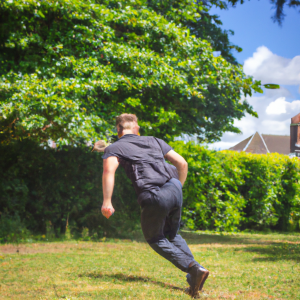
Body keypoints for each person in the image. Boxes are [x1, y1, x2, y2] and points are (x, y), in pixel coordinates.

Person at [100, 113, 209, 298]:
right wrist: (176, 189)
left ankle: (193, 268)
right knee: (172, 235)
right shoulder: (154, 141)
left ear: (118, 131)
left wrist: (107, 201)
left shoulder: (115, 147)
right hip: (174, 187)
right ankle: (195, 275)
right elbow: (182, 163)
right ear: (137, 129)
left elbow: (108, 171)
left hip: (153, 194)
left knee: (155, 238)